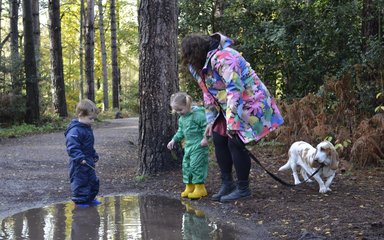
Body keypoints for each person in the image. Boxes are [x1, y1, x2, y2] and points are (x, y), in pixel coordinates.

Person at [180, 33, 284, 202]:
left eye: (189, 55)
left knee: (234, 141)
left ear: (197, 52)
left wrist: (233, 123)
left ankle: (243, 188)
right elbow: (207, 92)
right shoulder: (197, 66)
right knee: (218, 138)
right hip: (225, 105)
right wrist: (210, 120)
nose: (188, 60)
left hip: (249, 101)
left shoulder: (224, 57)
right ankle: (227, 184)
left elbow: (234, 89)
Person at [167, 92, 209, 199]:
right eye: (176, 111)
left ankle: (200, 188)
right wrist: (174, 140)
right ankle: (189, 186)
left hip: (199, 145)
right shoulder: (182, 118)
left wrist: (205, 138)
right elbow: (181, 131)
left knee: (196, 166)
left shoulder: (198, 115)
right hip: (188, 146)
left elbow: (206, 127)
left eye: (180, 110)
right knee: (186, 166)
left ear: (188, 105)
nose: (178, 112)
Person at [65, 99, 102, 208]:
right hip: (79, 163)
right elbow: (72, 147)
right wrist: (80, 158)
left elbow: (88, 146)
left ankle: (90, 198)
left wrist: (93, 154)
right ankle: (80, 201)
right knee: (80, 182)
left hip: (88, 161)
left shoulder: (86, 128)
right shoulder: (75, 131)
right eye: (90, 119)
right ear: (81, 115)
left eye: (93, 119)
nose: (92, 121)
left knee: (92, 180)